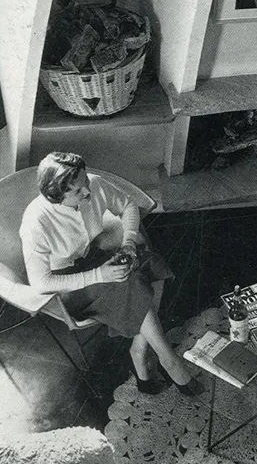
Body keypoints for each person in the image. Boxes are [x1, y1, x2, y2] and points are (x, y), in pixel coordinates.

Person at [20, 151, 203, 396]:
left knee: (151, 264)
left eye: (85, 181)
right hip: (67, 285)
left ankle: (139, 350)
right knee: (129, 280)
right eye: (77, 191)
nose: (87, 190)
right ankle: (169, 360)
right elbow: (40, 282)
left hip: (94, 259)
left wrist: (128, 243)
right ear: (56, 197)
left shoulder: (94, 185)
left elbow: (128, 205)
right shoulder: (36, 222)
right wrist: (100, 275)